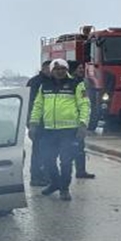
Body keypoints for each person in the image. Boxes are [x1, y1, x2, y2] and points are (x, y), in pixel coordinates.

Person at [29, 59, 89, 201]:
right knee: (47, 159)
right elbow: (37, 106)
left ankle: (64, 189)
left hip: (69, 131)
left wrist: (83, 124)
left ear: (66, 70)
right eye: (56, 69)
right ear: (51, 71)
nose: (59, 71)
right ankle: (55, 183)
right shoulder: (44, 86)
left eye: (62, 68)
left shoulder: (77, 85)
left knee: (66, 161)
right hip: (49, 130)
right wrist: (33, 124)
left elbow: (85, 105)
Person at [25, 61, 52, 186]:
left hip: (48, 122)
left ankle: (45, 175)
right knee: (38, 151)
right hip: (37, 122)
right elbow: (31, 104)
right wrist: (32, 123)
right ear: (44, 68)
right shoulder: (36, 82)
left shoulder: (51, 81)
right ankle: (36, 177)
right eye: (50, 68)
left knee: (48, 151)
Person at [70, 63, 96, 179]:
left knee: (80, 148)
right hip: (66, 123)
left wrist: (83, 122)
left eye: (82, 68)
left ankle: (81, 171)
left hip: (77, 122)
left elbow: (84, 103)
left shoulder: (82, 83)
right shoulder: (70, 83)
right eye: (79, 68)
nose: (82, 70)